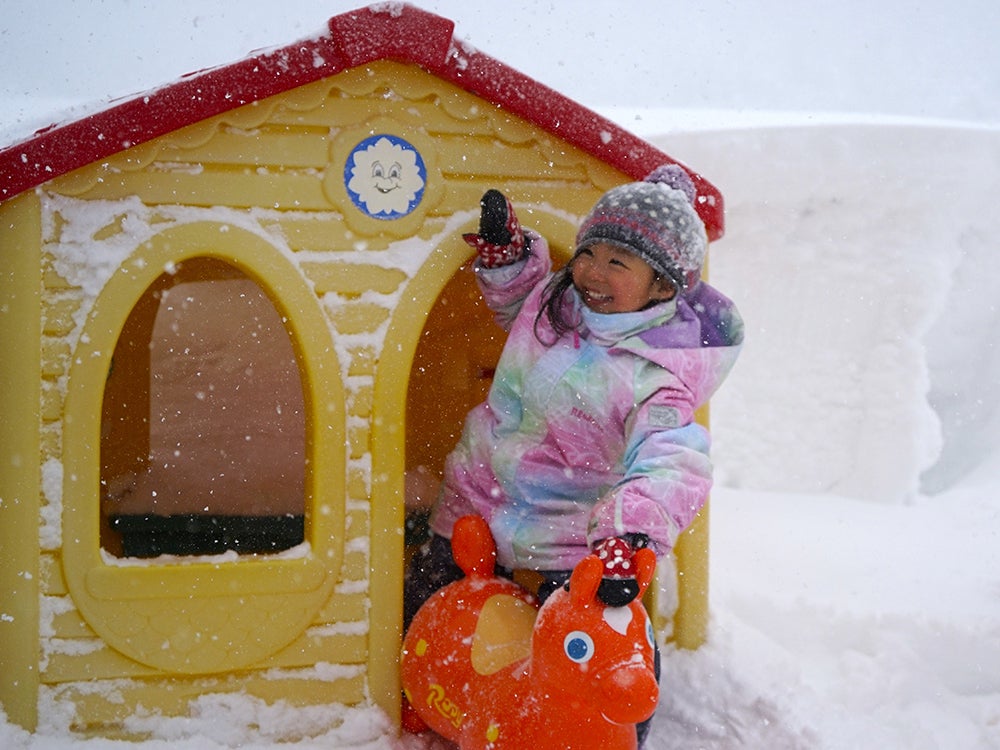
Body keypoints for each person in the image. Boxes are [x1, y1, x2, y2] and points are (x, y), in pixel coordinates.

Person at [404, 164, 743, 743]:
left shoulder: (657, 376)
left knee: (598, 638)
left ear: (664, 285)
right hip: (477, 503)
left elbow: (672, 460)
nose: (592, 272)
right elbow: (517, 301)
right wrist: (508, 257)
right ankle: (438, 703)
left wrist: (629, 537)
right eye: (590, 252)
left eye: (619, 263)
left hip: (572, 535)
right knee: (432, 605)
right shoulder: (553, 305)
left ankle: (610, 729)